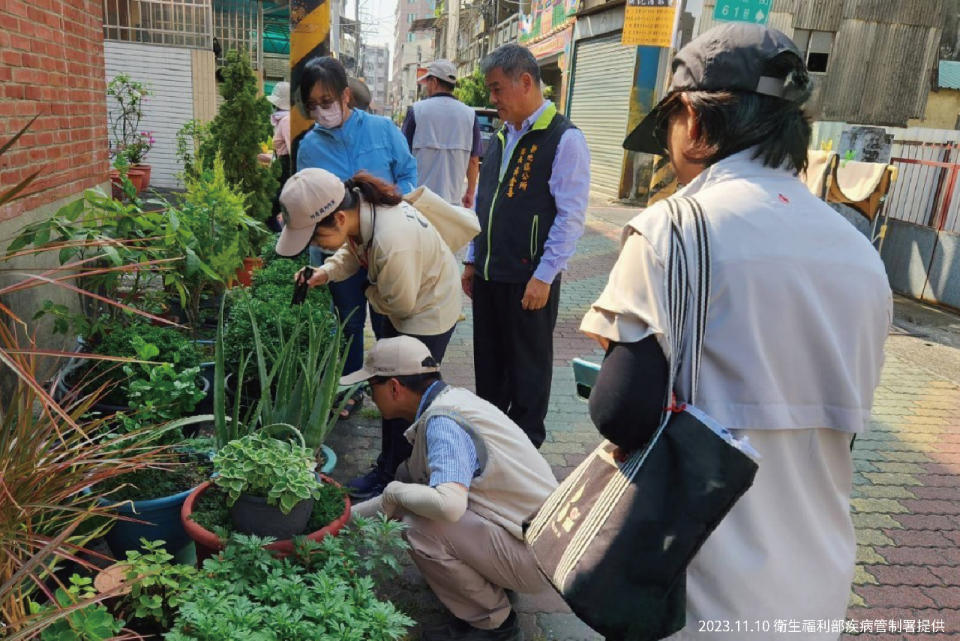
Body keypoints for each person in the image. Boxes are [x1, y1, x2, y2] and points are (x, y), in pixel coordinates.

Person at [580, 24, 892, 639]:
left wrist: (621, 349)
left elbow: (621, 413)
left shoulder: (673, 228)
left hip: (701, 587)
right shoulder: (859, 253)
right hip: (817, 581)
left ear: (694, 123)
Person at [348, 336, 558, 641]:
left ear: (394, 387)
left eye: (371, 387)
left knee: (421, 525)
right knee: (416, 490)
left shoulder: (443, 423)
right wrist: (342, 523)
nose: (370, 396)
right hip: (543, 542)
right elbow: (408, 489)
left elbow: (448, 505)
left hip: (537, 560)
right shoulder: (454, 400)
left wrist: (395, 492)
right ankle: (492, 585)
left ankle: (493, 624)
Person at [275, 168, 461, 500]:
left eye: (316, 238)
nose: (316, 246)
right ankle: (389, 468)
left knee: (402, 402)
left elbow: (400, 305)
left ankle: (397, 478)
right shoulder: (361, 212)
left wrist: (368, 290)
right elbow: (350, 250)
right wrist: (325, 272)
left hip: (425, 315)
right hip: (408, 303)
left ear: (339, 217)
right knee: (392, 397)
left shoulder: (392, 242)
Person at [462, 44, 590, 448]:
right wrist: (471, 258)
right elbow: (484, 201)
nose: (492, 99)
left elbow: (570, 217)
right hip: (488, 275)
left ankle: (524, 456)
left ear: (526, 82)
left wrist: (544, 276)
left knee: (527, 372)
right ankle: (491, 447)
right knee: (490, 368)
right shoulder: (502, 136)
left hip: (528, 281)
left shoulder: (563, 139)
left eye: (497, 89)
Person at [296, 56, 417, 423]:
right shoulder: (309, 148)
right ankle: (351, 389)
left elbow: (409, 173)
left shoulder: (383, 130)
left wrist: (396, 211)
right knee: (349, 322)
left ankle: (391, 388)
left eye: (327, 102)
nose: (320, 111)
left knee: (387, 322)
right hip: (342, 250)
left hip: (386, 248)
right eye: (312, 105)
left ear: (346, 96)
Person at [402, 59, 483, 208]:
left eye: (427, 82)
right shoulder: (470, 115)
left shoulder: (416, 111)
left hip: (419, 202)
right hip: (451, 205)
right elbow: (473, 160)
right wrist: (470, 192)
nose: (426, 87)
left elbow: (402, 156)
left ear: (433, 81)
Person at [259, 81, 291, 232]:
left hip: (286, 172)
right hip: (281, 168)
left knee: (269, 211)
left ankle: (279, 244)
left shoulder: (286, 121)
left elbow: (292, 152)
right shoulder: (283, 120)